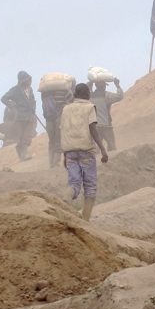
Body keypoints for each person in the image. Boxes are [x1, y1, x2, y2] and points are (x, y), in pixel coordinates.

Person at [61, 83, 110, 220]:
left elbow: (64, 131)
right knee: (90, 187)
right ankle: (86, 220)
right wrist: (103, 149)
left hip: (70, 152)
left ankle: (66, 198)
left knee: (74, 183)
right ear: (87, 94)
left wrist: (65, 154)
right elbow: (93, 129)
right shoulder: (89, 107)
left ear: (75, 95)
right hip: (86, 151)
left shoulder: (66, 109)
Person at [1, 71, 37, 161]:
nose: (30, 81)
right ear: (23, 81)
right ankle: (21, 154)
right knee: (20, 137)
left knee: (27, 136)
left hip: (29, 116)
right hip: (20, 117)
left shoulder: (30, 89)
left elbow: (33, 100)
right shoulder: (15, 90)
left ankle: (23, 155)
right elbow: (4, 98)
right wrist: (12, 105)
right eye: (29, 80)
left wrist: (33, 108)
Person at [42, 80, 75, 168]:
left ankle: (51, 163)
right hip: (59, 118)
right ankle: (56, 163)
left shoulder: (45, 93)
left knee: (51, 140)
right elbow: (72, 100)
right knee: (58, 140)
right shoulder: (64, 91)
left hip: (49, 119)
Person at [90, 77, 124, 151]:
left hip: (94, 126)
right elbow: (120, 96)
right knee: (112, 146)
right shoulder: (107, 95)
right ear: (104, 86)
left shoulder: (90, 96)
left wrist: (90, 83)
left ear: (96, 85)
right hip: (106, 125)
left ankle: (98, 158)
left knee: (96, 148)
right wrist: (117, 85)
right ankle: (112, 158)